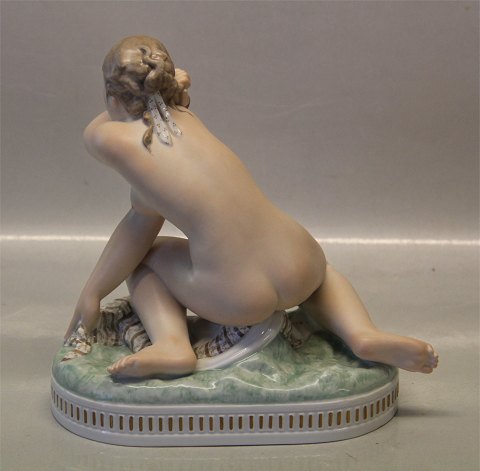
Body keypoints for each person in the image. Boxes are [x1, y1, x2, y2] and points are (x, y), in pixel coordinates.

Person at [65, 35, 438, 378]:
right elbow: (144, 209)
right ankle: (362, 333)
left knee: (145, 258)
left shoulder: (108, 139)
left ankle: (172, 345)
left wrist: (93, 292)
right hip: (299, 257)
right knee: (322, 275)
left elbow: (136, 226)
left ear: (112, 96)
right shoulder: (186, 115)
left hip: (236, 291)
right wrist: (169, 87)